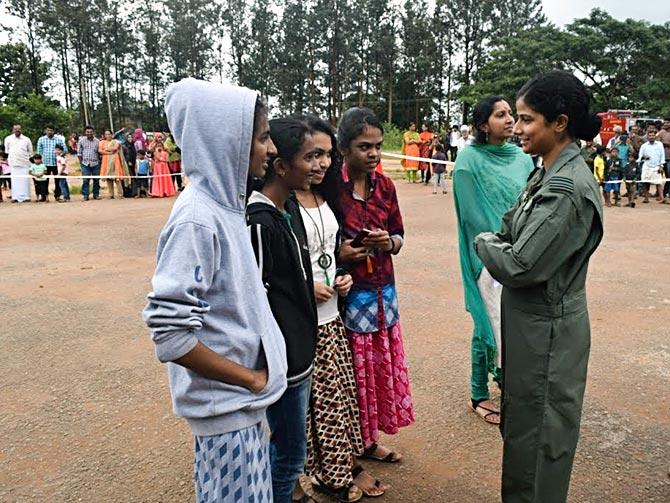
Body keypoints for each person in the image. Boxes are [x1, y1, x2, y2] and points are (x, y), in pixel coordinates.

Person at [144, 78, 287, 503]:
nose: (271, 149)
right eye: (262, 138)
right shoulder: (197, 220)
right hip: (229, 412)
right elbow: (170, 335)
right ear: (231, 139)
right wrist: (251, 380)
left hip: (241, 410)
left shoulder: (225, 208)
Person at [474, 70, 604, 503]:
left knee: (538, 446)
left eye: (528, 119)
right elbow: (512, 225)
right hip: (535, 331)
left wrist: (482, 241)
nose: (518, 127)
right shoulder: (546, 172)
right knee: (526, 432)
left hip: (547, 334)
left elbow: (518, 262)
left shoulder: (565, 187)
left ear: (560, 123)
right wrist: (500, 240)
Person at [246, 117, 319, 503]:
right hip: (284, 363)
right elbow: (254, 300)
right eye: (310, 157)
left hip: (298, 354)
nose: (319, 165)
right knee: (289, 454)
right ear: (281, 166)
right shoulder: (259, 222)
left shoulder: (287, 208)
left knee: (291, 449)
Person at [337, 107, 414, 467]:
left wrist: (389, 243)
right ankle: (346, 447)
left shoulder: (386, 187)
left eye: (378, 146)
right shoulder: (328, 188)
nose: (372, 154)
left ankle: (369, 441)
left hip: (384, 295)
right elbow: (314, 243)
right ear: (344, 148)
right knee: (351, 375)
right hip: (348, 298)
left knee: (377, 372)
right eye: (363, 146)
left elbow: (399, 234)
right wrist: (342, 254)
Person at [453, 95, 534, 426]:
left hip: (522, 254)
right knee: (487, 324)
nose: (510, 119)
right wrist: (497, 251)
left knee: (516, 323)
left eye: (510, 114)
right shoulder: (468, 160)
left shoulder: (522, 158)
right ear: (483, 125)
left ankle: (506, 381)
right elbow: (471, 216)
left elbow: (530, 204)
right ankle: (478, 394)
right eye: (501, 115)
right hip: (488, 257)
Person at [37, 126, 68, 201]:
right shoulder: (41, 139)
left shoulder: (59, 139)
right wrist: (39, 162)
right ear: (45, 131)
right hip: (45, 163)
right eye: (48, 130)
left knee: (58, 181)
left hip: (56, 164)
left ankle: (57, 196)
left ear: (54, 131)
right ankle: (44, 196)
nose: (50, 132)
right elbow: (39, 151)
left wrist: (60, 156)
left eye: (51, 130)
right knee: (44, 181)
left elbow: (65, 150)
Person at [4, 124, 33, 203]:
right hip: (13, 163)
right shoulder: (8, 139)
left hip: (24, 163)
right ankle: (15, 197)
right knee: (15, 181)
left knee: (25, 180)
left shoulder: (26, 139)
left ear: (21, 130)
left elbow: (30, 152)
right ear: (13, 130)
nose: (17, 130)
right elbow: (7, 151)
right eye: (15, 129)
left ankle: (26, 197)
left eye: (19, 129)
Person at [637, 126, 665, 203]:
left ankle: (662, 198)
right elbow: (639, 158)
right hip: (646, 166)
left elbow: (662, 156)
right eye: (650, 136)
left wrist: (661, 166)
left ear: (655, 136)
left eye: (653, 135)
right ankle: (646, 198)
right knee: (645, 183)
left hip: (656, 166)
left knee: (658, 183)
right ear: (647, 136)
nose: (651, 137)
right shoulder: (644, 146)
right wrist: (644, 158)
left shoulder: (659, 144)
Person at [99, 129, 130, 199]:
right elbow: (100, 150)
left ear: (112, 135)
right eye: (106, 134)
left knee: (117, 178)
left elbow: (116, 148)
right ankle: (111, 194)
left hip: (115, 161)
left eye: (109, 134)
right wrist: (109, 152)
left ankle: (120, 194)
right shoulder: (102, 142)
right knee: (108, 178)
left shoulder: (116, 141)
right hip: (106, 161)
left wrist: (106, 149)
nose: (107, 136)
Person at [77, 126, 101, 201]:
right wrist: (81, 164)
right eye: (87, 132)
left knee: (96, 180)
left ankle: (96, 194)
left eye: (91, 132)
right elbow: (79, 153)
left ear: (93, 132)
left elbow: (99, 153)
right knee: (85, 180)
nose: (89, 133)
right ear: (85, 132)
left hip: (95, 163)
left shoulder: (97, 141)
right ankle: (85, 195)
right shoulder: (81, 141)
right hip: (85, 164)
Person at [657, 118, 670, 202]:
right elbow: (656, 141)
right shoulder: (661, 132)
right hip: (661, 158)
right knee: (659, 177)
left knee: (669, 176)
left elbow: (661, 142)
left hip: (669, 158)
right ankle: (661, 194)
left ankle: (666, 193)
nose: (666, 124)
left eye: (668, 122)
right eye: (664, 122)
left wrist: (664, 143)